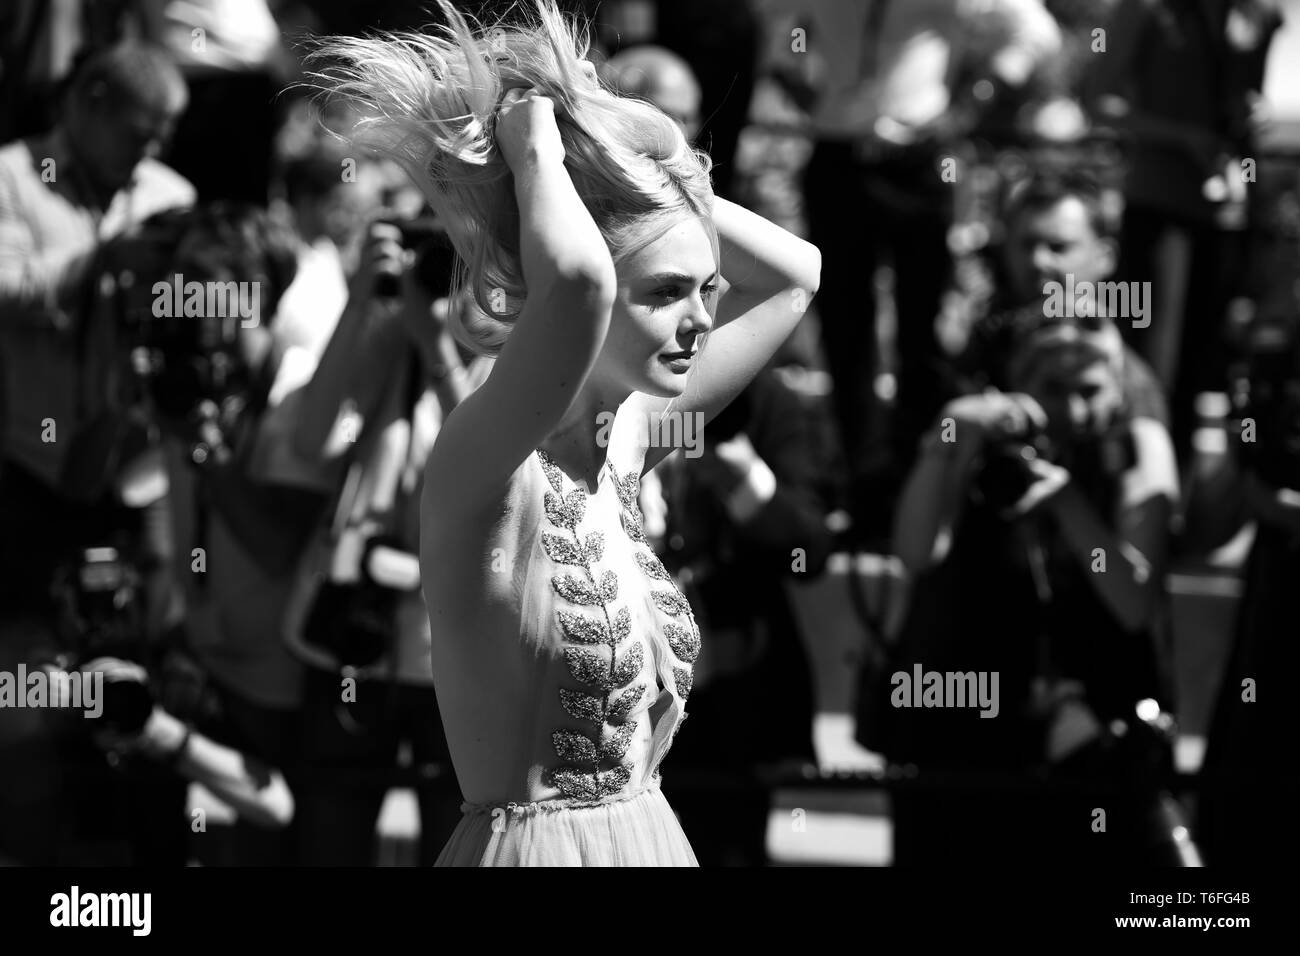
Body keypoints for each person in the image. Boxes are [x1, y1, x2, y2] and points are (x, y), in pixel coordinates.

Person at [312, 0, 821, 866]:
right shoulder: (488, 459)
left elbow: (796, 275)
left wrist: (644, 167)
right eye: (665, 293)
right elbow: (580, 282)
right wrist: (536, 148)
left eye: (705, 290)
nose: (700, 319)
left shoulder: (627, 442)